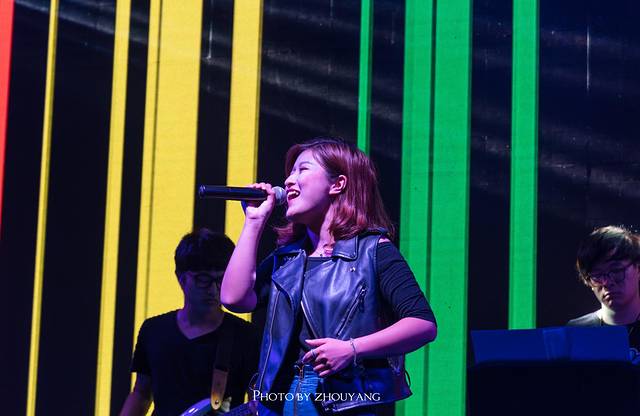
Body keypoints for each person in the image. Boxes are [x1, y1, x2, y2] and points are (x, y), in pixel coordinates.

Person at [221, 138, 437, 415]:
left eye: (302, 170)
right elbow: (234, 298)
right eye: (290, 172)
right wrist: (253, 222)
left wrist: (351, 349)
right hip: (280, 395)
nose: (288, 180)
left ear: (338, 184)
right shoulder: (287, 258)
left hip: (341, 398)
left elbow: (422, 324)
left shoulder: (373, 251)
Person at [120, 229, 260, 416]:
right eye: (203, 279)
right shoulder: (153, 330)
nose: (213, 289)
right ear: (180, 277)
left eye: (221, 279)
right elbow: (141, 393)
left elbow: (257, 400)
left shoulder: (246, 336)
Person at [567, 225, 640, 361]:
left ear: (638, 268)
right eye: (597, 275)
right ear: (588, 281)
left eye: (616, 270)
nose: (607, 282)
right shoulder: (577, 331)